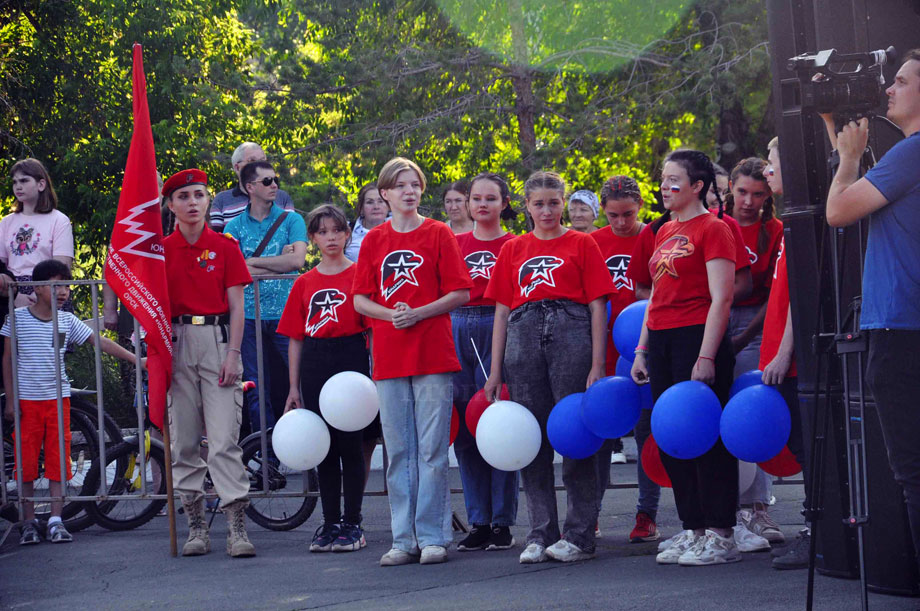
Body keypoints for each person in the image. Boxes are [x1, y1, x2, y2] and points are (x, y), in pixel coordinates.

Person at [484, 171, 613, 564]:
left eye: (554, 203)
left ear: (564, 204)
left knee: (574, 435)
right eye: (538, 203)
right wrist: (494, 370)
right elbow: (502, 311)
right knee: (531, 438)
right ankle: (540, 532)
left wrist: (597, 363)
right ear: (526, 206)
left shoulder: (582, 242)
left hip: (571, 333)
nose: (546, 210)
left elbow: (596, 306)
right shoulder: (513, 248)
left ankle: (579, 534)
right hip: (522, 338)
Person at [825, 49, 920, 575]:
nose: (889, 90)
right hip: (906, 324)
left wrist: (846, 159)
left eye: (902, 82)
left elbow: (838, 210)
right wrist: (842, 144)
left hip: (903, 330)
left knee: (913, 473)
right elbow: (859, 194)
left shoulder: (912, 154)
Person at [352, 157, 472, 566]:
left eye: (415, 184)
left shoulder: (438, 233)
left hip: (433, 353)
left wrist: (418, 312)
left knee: (433, 450)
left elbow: (461, 291)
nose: (409, 191)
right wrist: (392, 315)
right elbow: (360, 299)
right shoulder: (373, 240)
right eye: (400, 185)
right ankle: (403, 538)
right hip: (389, 355)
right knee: (399, 450)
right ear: (384, 193)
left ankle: (434, 535)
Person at [631, 149, 740, 566]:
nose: (664, 186)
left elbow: (722, 297)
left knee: (707, 436)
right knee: (673, 433)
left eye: (674, 180)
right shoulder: (662, 232)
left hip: (698, 336)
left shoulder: (714, 229)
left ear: (698, 186)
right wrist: (642, 349)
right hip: (661, 339)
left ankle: (721, 532)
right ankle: (693, 528)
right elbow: (656, 297)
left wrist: (707, 356)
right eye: (662, 178)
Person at [2, 259, 141, 545]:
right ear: (39, 287)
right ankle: (28, 521)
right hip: (27, 401)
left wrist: (137, 360)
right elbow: (7, 359)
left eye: (66, 284)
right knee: (26, 462)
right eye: (57, 284)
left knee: (58, 460)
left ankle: (55, 520)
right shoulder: (17, 318)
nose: (64, 291)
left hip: (57, 399)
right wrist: (11, 401)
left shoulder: (67, 320)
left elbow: (100, 341)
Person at [162, 168, 256, 558]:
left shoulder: (225, 246)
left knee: (222, 442)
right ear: (170, 205)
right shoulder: (159, 250)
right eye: (183, 197)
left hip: (216, 341)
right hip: (174, 341)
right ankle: (196, 527)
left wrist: (234, 353)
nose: (192, 203)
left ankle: (237, 529)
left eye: (199, 195)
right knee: (183, 441)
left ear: (208, 201)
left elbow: (238, 306)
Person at [279, 204, 370, 554]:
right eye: (323, 232)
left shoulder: (361, 275)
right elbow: (295, 338)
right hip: (317, 361)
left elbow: (372, 329)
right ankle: (330, 521)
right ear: (313, 238)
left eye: (337, 230)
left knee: (351, 444)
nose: (331, 237)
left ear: (347, 234)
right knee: (324, 447)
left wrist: (373, 371)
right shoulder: (304, 283)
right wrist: (293, 387)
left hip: (351, 361)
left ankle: (353, 522)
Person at [450, 172, 519, 552]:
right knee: (465, 426)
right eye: (475, 198)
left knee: (500, 421)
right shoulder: (455, 242)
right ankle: (478, 519)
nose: (482, 205)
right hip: (458, 323)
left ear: (504, 203)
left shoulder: (516, 244)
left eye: (490, 198)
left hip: (498, 323)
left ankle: (502, 521)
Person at [590, 175, 656, 542]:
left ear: (640, 207)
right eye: (613, 215)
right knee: (602, 433)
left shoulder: (655, 236)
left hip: (644, 349)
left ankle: (647, 514)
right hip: (606, 350)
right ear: (603, 211)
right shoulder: (592, 242)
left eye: (628, 214)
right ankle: (592, 513)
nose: (621, 222)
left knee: (647, 435)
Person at [723, 157, 785, 545]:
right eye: (743, 191)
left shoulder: (775, 229)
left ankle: (756, 508)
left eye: (758, 194)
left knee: (749, 408)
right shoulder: (713, 224)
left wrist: (745, 338)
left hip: (757, 326)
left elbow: (776, 291)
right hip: (712, 319)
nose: (748, 201)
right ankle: (718, 512)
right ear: (730, 186)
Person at [224, 161, 307, 436]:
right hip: (247, 316)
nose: (275, 185)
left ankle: (312, 455)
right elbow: (234, 269)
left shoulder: (292, 219)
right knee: (256, 389)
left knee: (302, 381)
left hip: (287, 313)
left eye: (275, 179)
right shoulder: (233, 226)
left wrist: (253, 261)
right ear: (250, 187)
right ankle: (266, 459)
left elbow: (297, 260)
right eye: (267, 181)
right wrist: (277, 261)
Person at [759, 136, 811, 569]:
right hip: (781, 358)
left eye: (772, 161)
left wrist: (783, 353)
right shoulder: (787, 221)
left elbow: (803, 293)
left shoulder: (804, 219)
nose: (765, 171)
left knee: (810, 449)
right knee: (801, 445)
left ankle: (819, 532)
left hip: (793, 362)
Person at [1, 159, 74, 308]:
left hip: (49, 288)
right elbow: (1, 265)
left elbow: (61, 265)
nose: (18, 186)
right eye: (14, 182)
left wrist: (41, 294)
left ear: (41, 184)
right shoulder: (6, 222)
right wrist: (15, 295)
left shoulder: (59, 220)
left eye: (24, 180)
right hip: (12, 290)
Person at [209, 142, 295, 232]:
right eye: (252, 161)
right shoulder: (222, 200)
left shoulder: (282, 197)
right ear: (237, 167)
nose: (259, 166)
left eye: (262, 161)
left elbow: (293, 234)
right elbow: (216, 240)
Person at [344, 183, 389, 262]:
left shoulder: (399, 228)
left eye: (380, 201)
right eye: (370, 202)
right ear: (361, 208)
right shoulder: (346, 230)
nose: (376, 207)